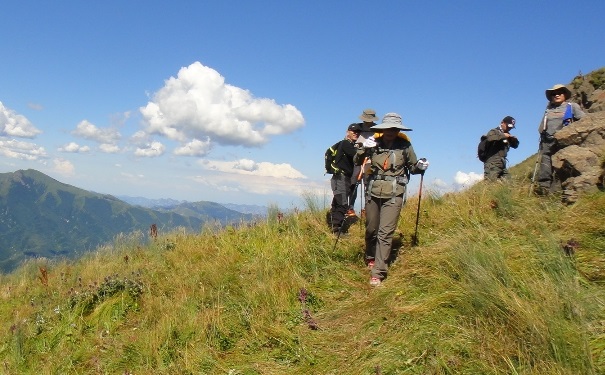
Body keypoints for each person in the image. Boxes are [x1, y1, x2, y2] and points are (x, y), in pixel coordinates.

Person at [354, 113, 429, 286]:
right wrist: (363, 148)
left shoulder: (405, 146)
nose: (391, 131)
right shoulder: (373, 143)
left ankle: (378, 272)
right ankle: (370, 255)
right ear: (383, 128)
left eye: (395, 128)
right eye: (388, 128)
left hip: (395, 193)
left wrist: (420, 167)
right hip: (373, 190)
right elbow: (357, 160)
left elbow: (412, 166)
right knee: (371, 228)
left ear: (398, 130)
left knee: (385, 233)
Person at [535, 84, 586, 195]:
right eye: (554, 94)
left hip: (563, 142)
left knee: (561, 167)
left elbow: (584, 120)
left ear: (565, 94)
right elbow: (542, 126)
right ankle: (544, 191)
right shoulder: (548, 109)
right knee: (545, 168)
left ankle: (558, 192)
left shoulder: (572, 106)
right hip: (547, 142)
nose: (556, 95)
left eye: (560, 92)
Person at [328, 123, 362, 234]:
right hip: (341, 178)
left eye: (358, 132)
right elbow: (356, 156)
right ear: (348, 132)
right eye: (354, 131)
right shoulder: (346, 144)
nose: (356, 133)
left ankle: (334, 227)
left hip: (342, 178)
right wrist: (364, 150)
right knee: (342, 204)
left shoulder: (350, 145)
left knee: (337, 203)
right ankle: (337, 230)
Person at [351, 108, 379, 215]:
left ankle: (366, 208)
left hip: (370, 160)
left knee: (368, 183)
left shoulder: (377, 129)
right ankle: (351, 207)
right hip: (358, 159)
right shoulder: (357, 128)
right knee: (354, 182)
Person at [483, 116, 519, 181]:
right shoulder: (494, 131)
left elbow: (515, 146)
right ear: (502, 123)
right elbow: (489, 139)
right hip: (492, 163)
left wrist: (514, 140)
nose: (509, 128)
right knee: (490, 184)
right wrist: (503, 136)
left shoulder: (508, 135)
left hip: (502, 163)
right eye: (508, 126)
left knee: (509, 184)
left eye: (511, 127)